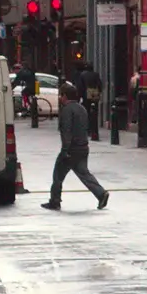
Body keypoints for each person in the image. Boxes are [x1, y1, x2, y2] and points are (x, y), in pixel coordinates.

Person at [42, 82, 109, 210]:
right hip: (83, 147)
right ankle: (101, 194)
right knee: (84, 173)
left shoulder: (67, 110)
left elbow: (66, 131)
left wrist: (65, 150)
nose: (60, 98)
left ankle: (55, 201)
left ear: (65, 96)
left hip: (71, 149)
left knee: (57, 174)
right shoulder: (82, 108)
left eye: (61, 95)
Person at [79, 61, 103, 140]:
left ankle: (88, 130)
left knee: (86, 112)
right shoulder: (96, 74)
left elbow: (81, 87)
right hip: (94, 93)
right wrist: (99, 92)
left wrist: (80, 96)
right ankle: (94, 130)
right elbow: (99, 84)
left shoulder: (83, 75)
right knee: (94, 112)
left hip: (86, 94)